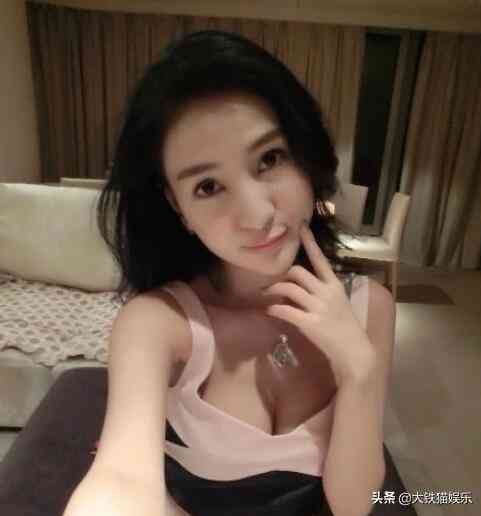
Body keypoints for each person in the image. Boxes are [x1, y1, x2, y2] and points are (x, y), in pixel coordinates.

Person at [63, 30, 395, 516]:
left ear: (305, 157)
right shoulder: (158, 322)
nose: (258, 215)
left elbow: (355, 505)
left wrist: (358, 370)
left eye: (270, 159)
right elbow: (121, 476)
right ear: (178, 207)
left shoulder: (370, 308)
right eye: (208, 186)